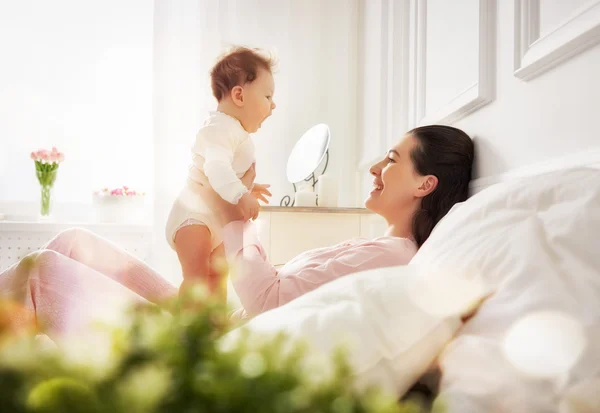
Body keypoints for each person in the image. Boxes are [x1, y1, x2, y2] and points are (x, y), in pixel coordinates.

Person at [0, 125, 474, 339]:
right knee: (72, 242)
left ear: (423, 184)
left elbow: (268, 299)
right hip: (224, 325)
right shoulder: (380, 246)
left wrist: (234, 218)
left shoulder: (393, 258)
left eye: (392, 159)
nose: (375, 166)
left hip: (217, 348)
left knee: (40, 272)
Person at [165, 46, 275, 297]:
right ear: (239, 95)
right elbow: (215, 168)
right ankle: (188, 330)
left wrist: (248, 187)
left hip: (213, 218)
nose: (274, 105)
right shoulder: (219, 128)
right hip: (194, 217)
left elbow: (228, 170)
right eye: (268, 97)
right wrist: (240, 194)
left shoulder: (233, 130)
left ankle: (216, 326)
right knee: (197, 278)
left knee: (217, 275)